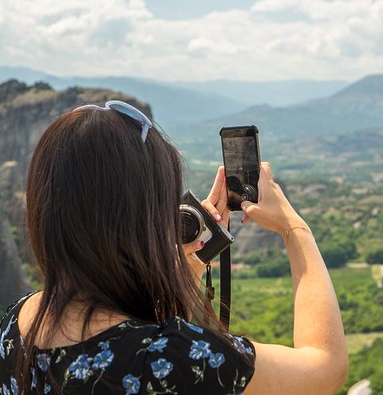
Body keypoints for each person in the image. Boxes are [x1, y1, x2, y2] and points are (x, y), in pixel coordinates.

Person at [0, 101, 348, 394]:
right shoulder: (169, 357)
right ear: (142, 216)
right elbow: (324, 367)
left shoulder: (16, 326)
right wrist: (294, 227)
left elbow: (125, 332)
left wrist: (190, 266)